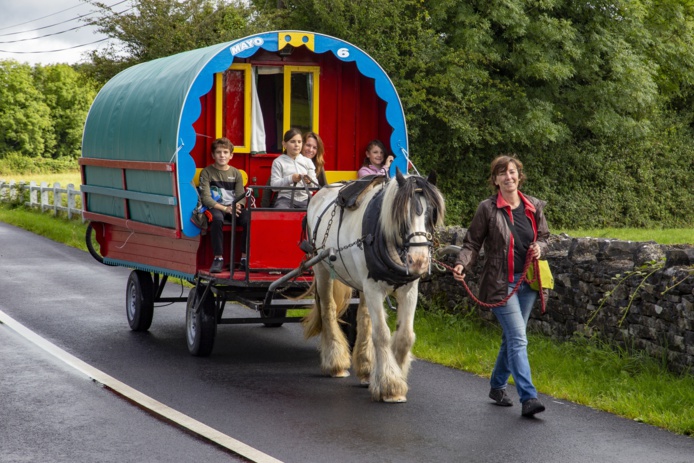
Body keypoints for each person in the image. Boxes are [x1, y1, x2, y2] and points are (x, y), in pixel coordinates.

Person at [452, 154, 549, 417]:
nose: (509, 176)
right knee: (518, 338)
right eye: (503, 173)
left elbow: (545, 237)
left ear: (519, 175)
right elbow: (472, 243)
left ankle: (496, 386)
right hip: (499, 284)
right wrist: (462, 263)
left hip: (527, 282)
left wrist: (539, 247)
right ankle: (528, 397)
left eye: (513, 171)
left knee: (510, 339)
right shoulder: (487, 209)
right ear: (495, 180)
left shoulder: (534, 205)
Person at [198, 137, 249, 273]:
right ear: (213, 155)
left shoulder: (236, 173)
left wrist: (237, 206)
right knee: (217, 219)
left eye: (226, 152)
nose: (222, 155)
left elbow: (241, 196)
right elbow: (206, 199)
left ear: (231, 155)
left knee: (248, 219)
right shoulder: (207, 172)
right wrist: (225, 208)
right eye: (219, 152)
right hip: (216, 207)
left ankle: (244, 258)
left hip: (232, 207)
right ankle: (218, 258)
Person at [270, 128, 319, 208]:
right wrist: (291, 179)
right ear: (284, 144)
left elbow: (314, 188)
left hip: (306, 199)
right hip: (285, 199)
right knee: (281, 213)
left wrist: (309, 181)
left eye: (299, 142)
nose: (297, 145)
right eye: (293, 141)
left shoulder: (308, 161)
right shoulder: (278, 162)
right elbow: (274, 187)